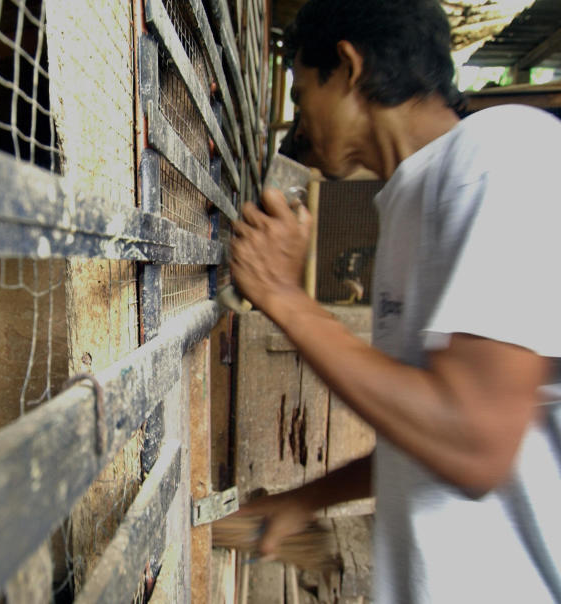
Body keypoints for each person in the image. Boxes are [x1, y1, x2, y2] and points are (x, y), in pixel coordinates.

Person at [226, 0, 561, 601]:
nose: (299, 125)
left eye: (301, 96)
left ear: (349, 69)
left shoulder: (504, 155)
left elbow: (473, 443)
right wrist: (305, 498)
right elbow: (427, 433)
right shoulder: (411, 198)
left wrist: (283, 296)